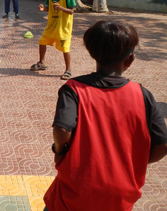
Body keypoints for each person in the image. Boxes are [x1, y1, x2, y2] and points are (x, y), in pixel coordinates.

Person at [43, 21, 167, 211]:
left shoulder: (74, 89)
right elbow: (163, 145)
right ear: (130, 59)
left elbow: (62, 129)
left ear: (92, 52)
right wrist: (133, 159)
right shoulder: (143, 95)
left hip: (76, 191)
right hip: (120, 195)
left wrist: (59, 151)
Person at [31, 0, 75, 80]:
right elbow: (50, 9)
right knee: (42, 42)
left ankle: (68, 70)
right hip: (51, 26)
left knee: (65, 48)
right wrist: (43, 9)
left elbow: (71, 11)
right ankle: (42, 63)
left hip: (63, 27)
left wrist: (61, 8)